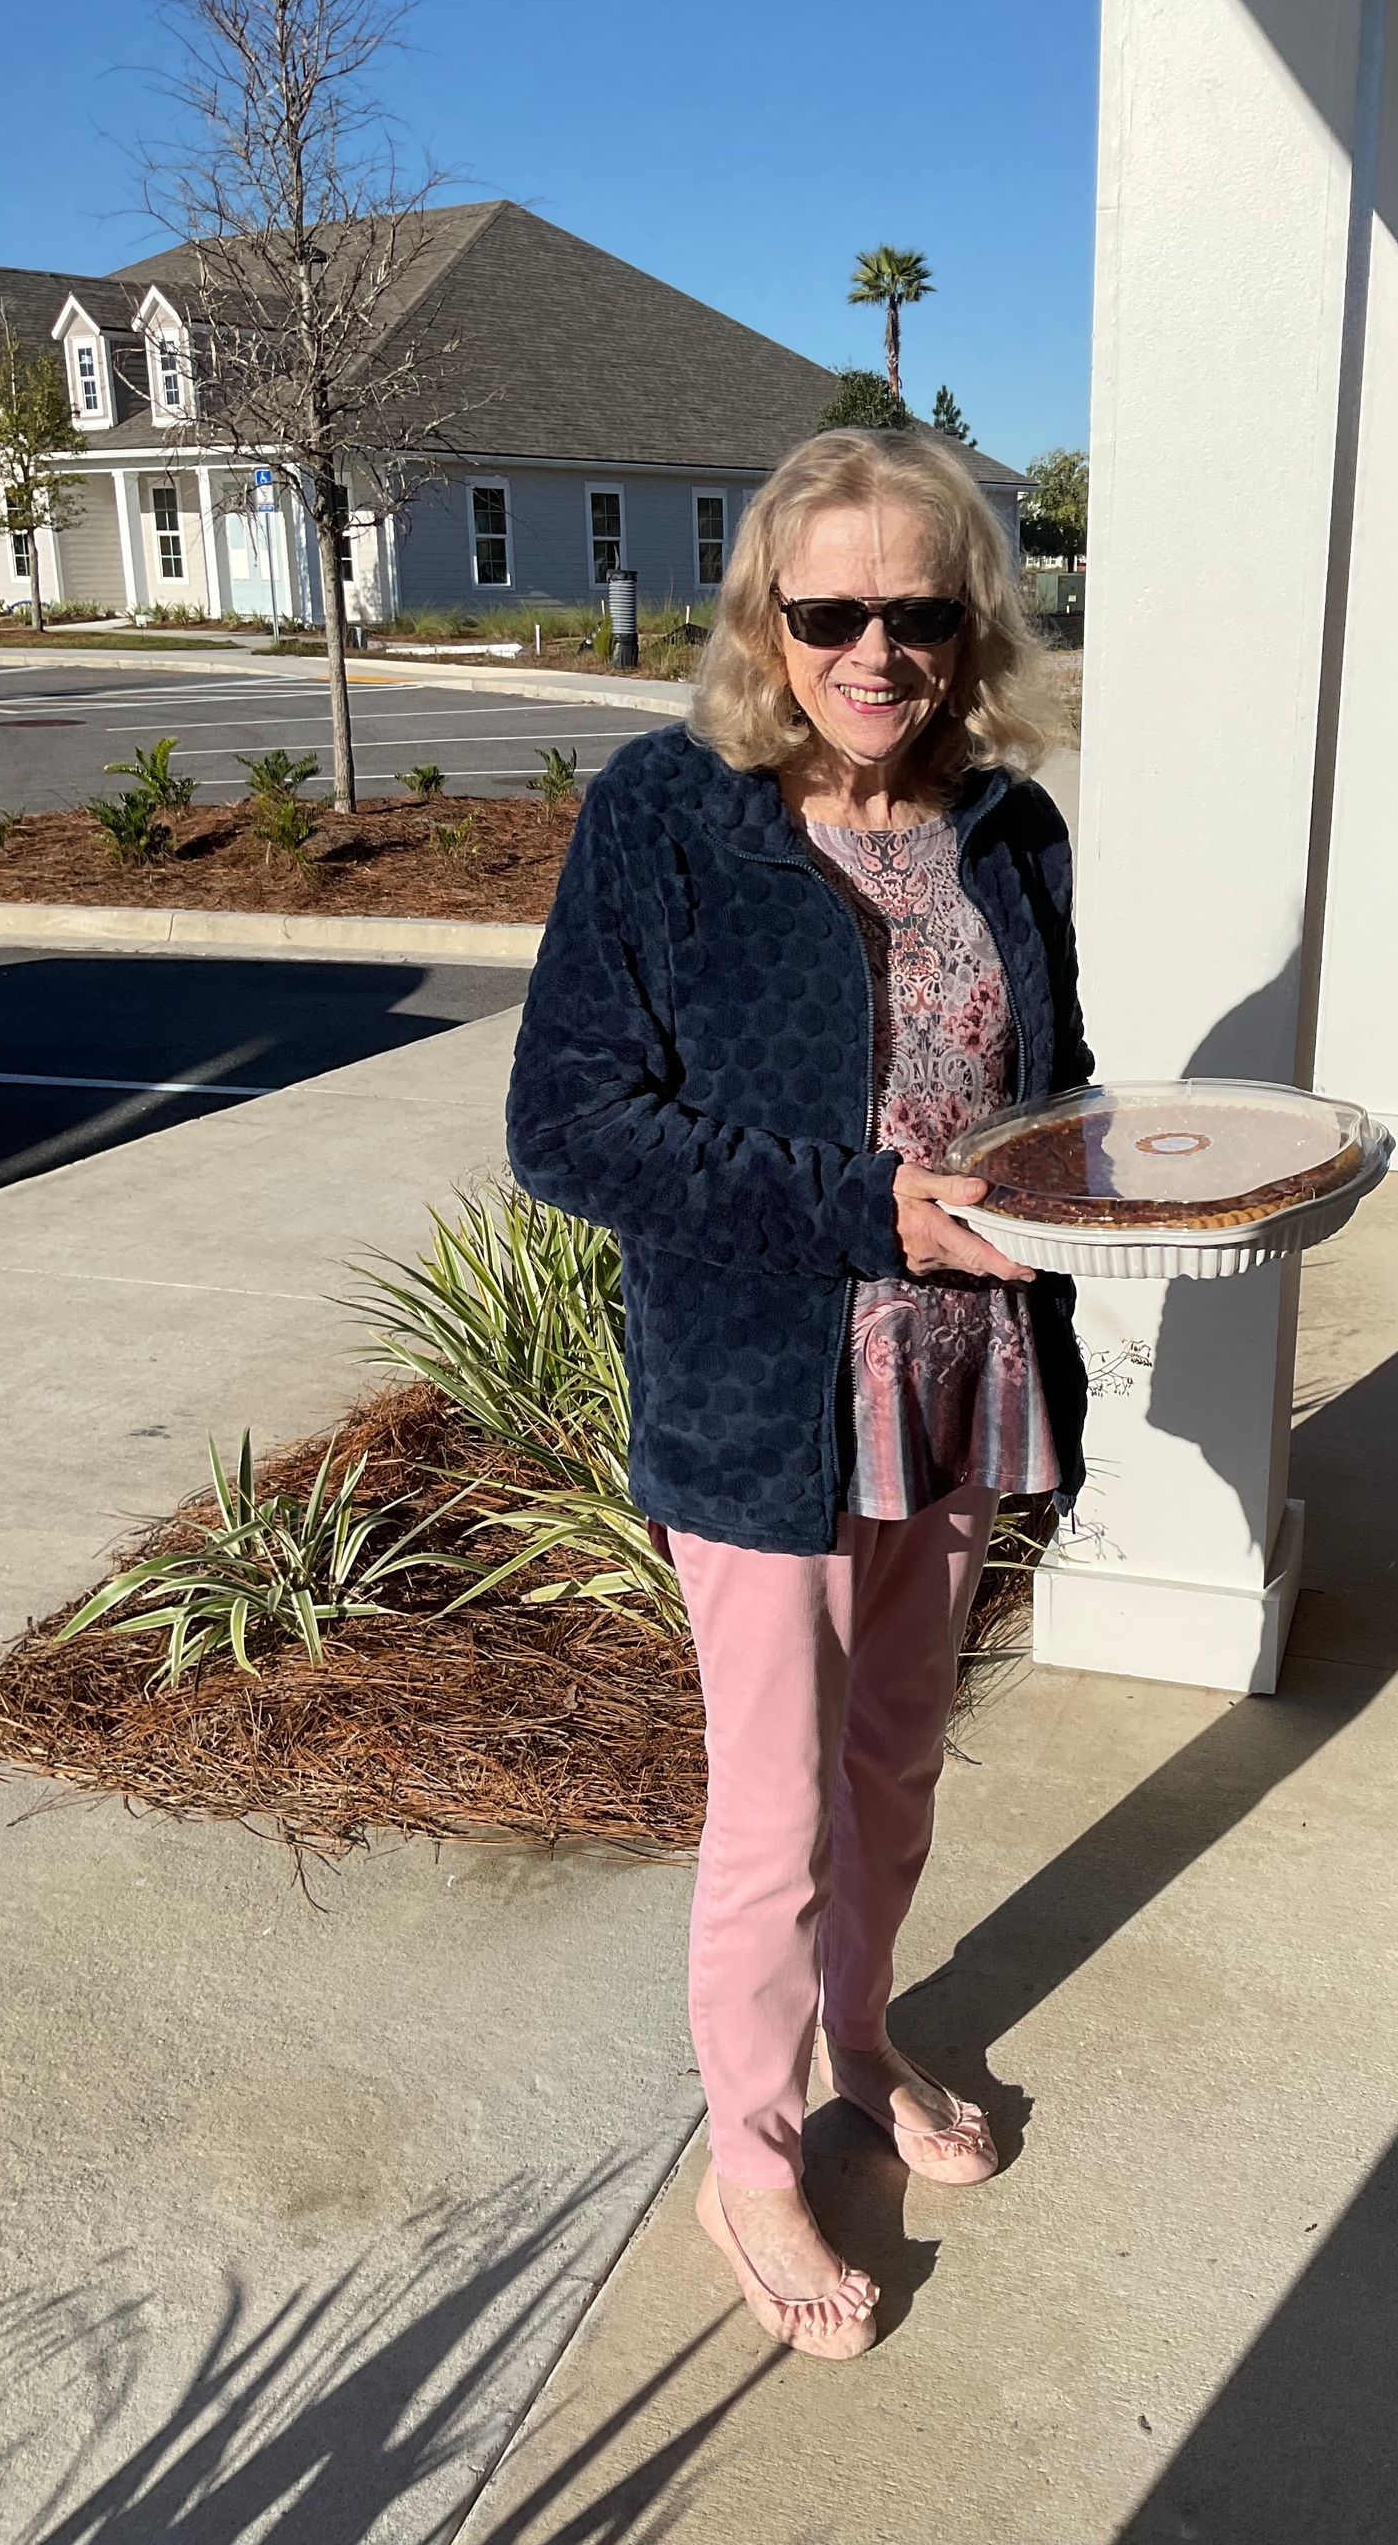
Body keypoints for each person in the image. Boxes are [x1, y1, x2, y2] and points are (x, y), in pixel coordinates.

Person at [506, 427, 1092, 2359]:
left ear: (971, 620)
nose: (873, 649)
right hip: (763, 1392)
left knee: (899, 1759)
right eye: (827, 610)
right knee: (772, 1803)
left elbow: (1047, 1099)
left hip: (948, 1381)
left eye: (916, 611)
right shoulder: (671, 816)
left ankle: (864, 2033)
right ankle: (747, 2153)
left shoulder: (1008, 830)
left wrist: (1111, 1209)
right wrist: (874, 1210)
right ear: (767, 616)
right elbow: (571, 1124)